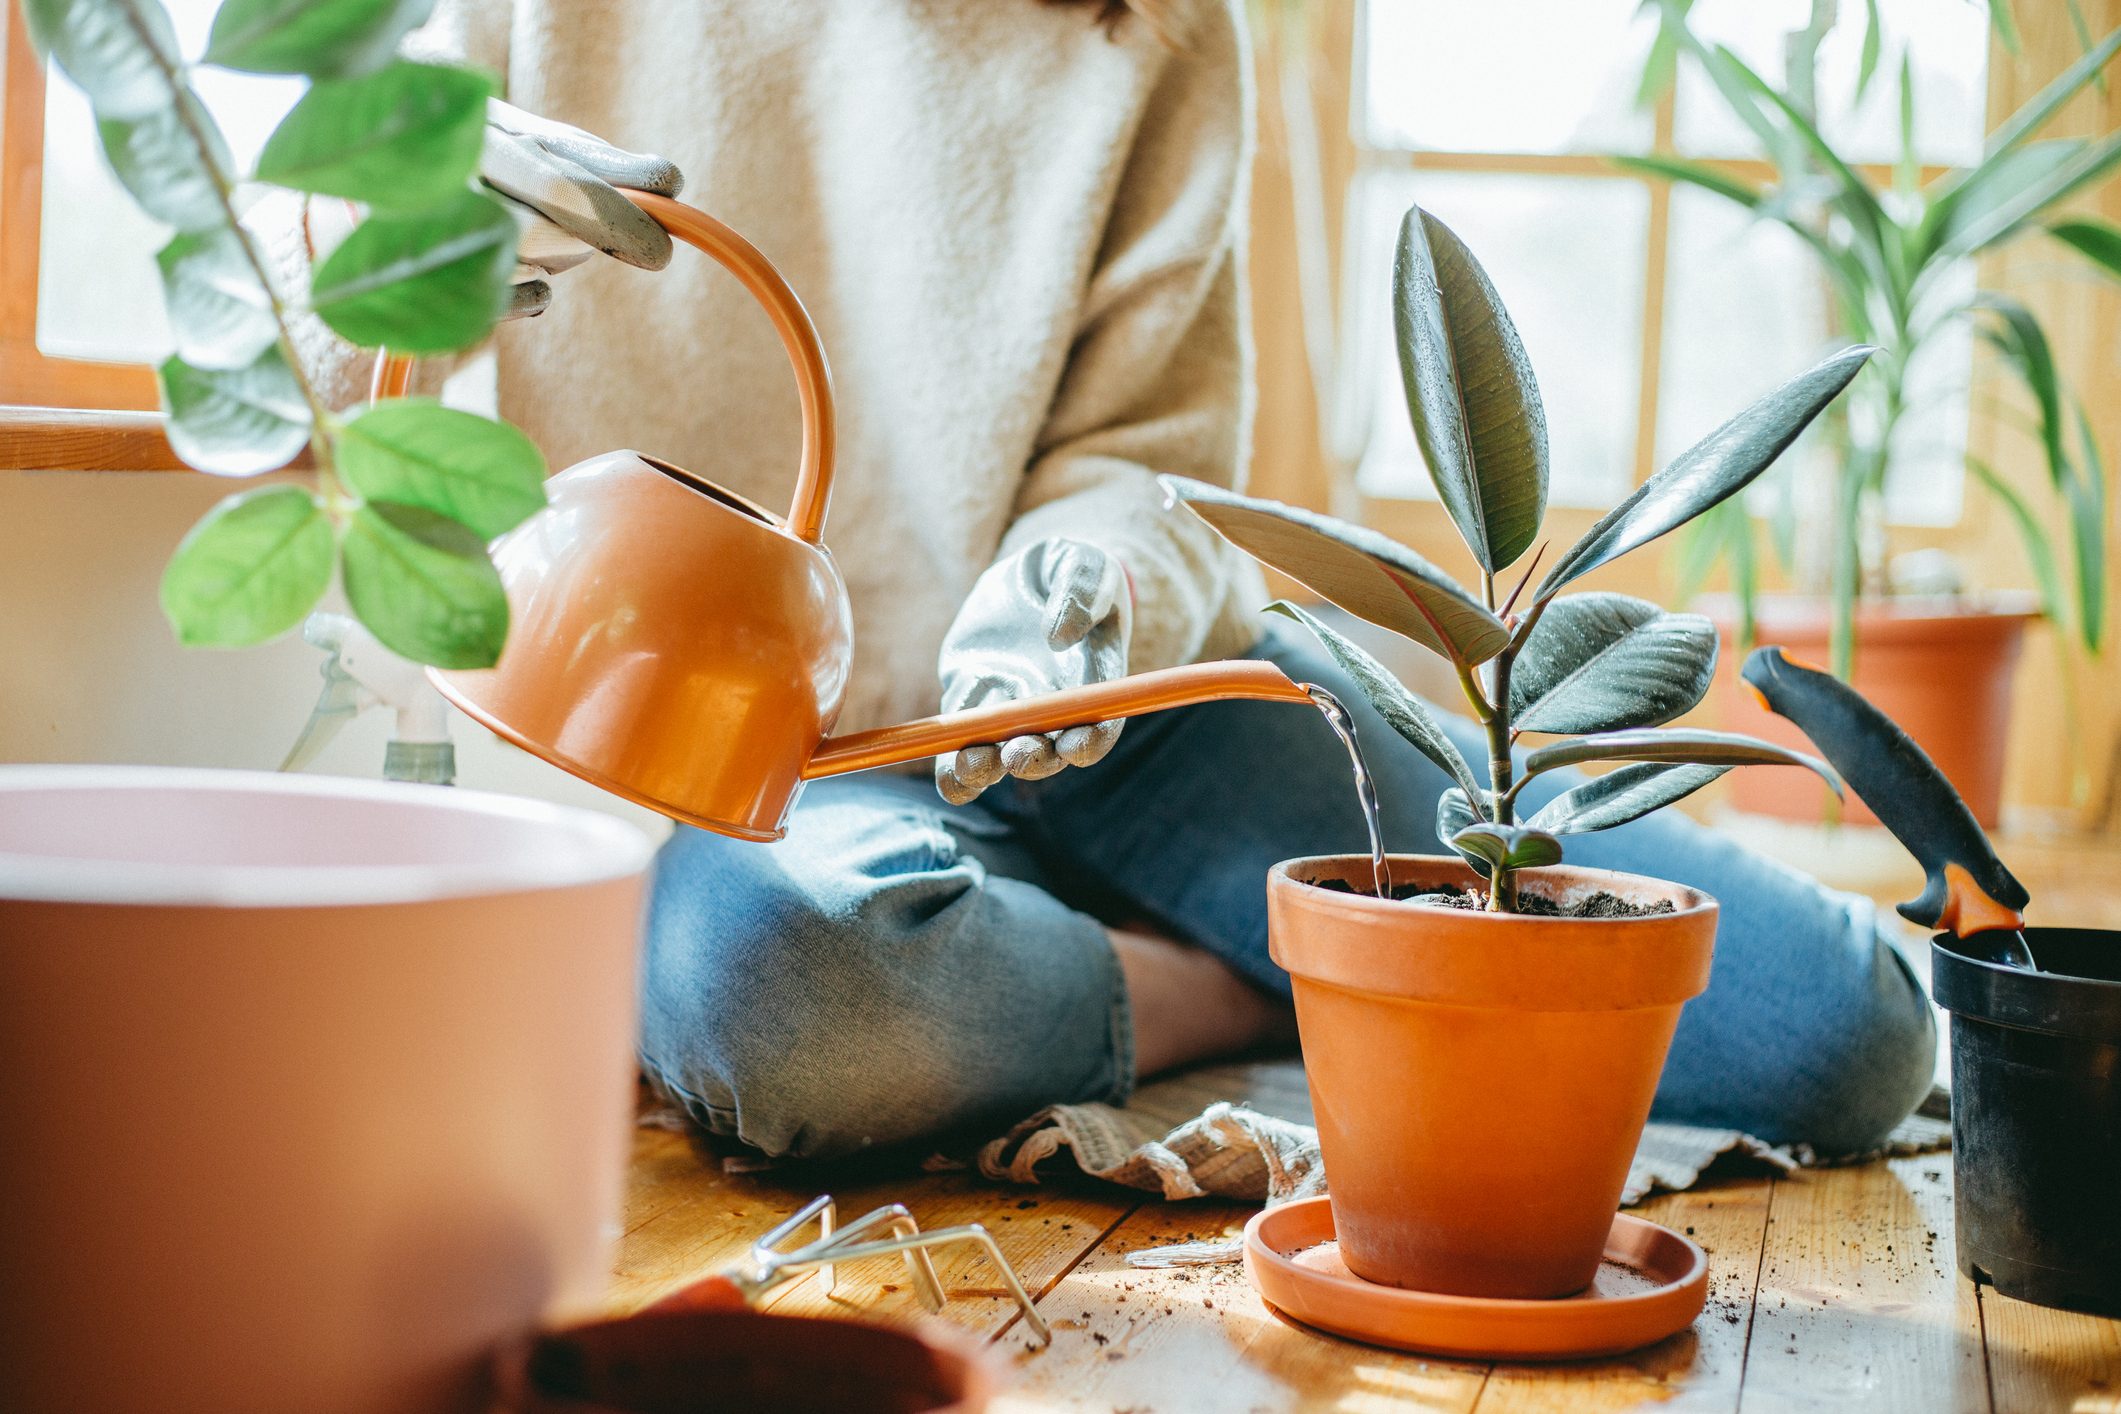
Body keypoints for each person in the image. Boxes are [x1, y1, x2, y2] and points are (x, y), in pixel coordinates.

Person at [302, 0, 1937, 1165]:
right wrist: (413, 228)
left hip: (1122, 711)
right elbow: (297, 345)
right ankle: (1249, 980)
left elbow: (1150, 457)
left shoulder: (1146, 27)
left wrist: (1072, 590)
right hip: (785, 767)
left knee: (1838, 1031)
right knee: (781, 1002)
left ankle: (1217, 947)